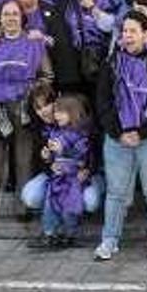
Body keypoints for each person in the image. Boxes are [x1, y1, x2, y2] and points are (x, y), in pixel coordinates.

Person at [94, 10, 147, 262]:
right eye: (124, 31)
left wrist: (141, 132)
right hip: (117, 139)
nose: (127, 35)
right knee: (116, 193)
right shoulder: (110, 64)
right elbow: (103, 102)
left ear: (146, 34)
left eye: (133, 31)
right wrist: (119, 132)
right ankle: (109, 240)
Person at [0, 0, 53, 226]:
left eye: (14, 14)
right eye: (6, 14)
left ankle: (24, 207)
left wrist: (34, 91)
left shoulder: (34, 44)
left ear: (22, 18)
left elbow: (48, 76)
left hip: (24, 108)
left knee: (24, 160)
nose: (10, 18)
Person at [28, 95, 93, 249]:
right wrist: (47, 157)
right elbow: (52, 156)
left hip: (72, 179)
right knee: (50, 205)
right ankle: (49, 233)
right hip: (57, 178)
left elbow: (83, 153)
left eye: (61, 112)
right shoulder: (55, 132)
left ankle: (70, 235)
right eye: (56, 111)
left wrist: (65, 149)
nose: (56, 115)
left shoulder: (81, 133)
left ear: (73, 113)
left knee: (69, 206)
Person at [62, 0, 114, 89]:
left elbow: (110, 26)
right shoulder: (68, 2)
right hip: (75, 62)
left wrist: (92, 8)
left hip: (100, 59)